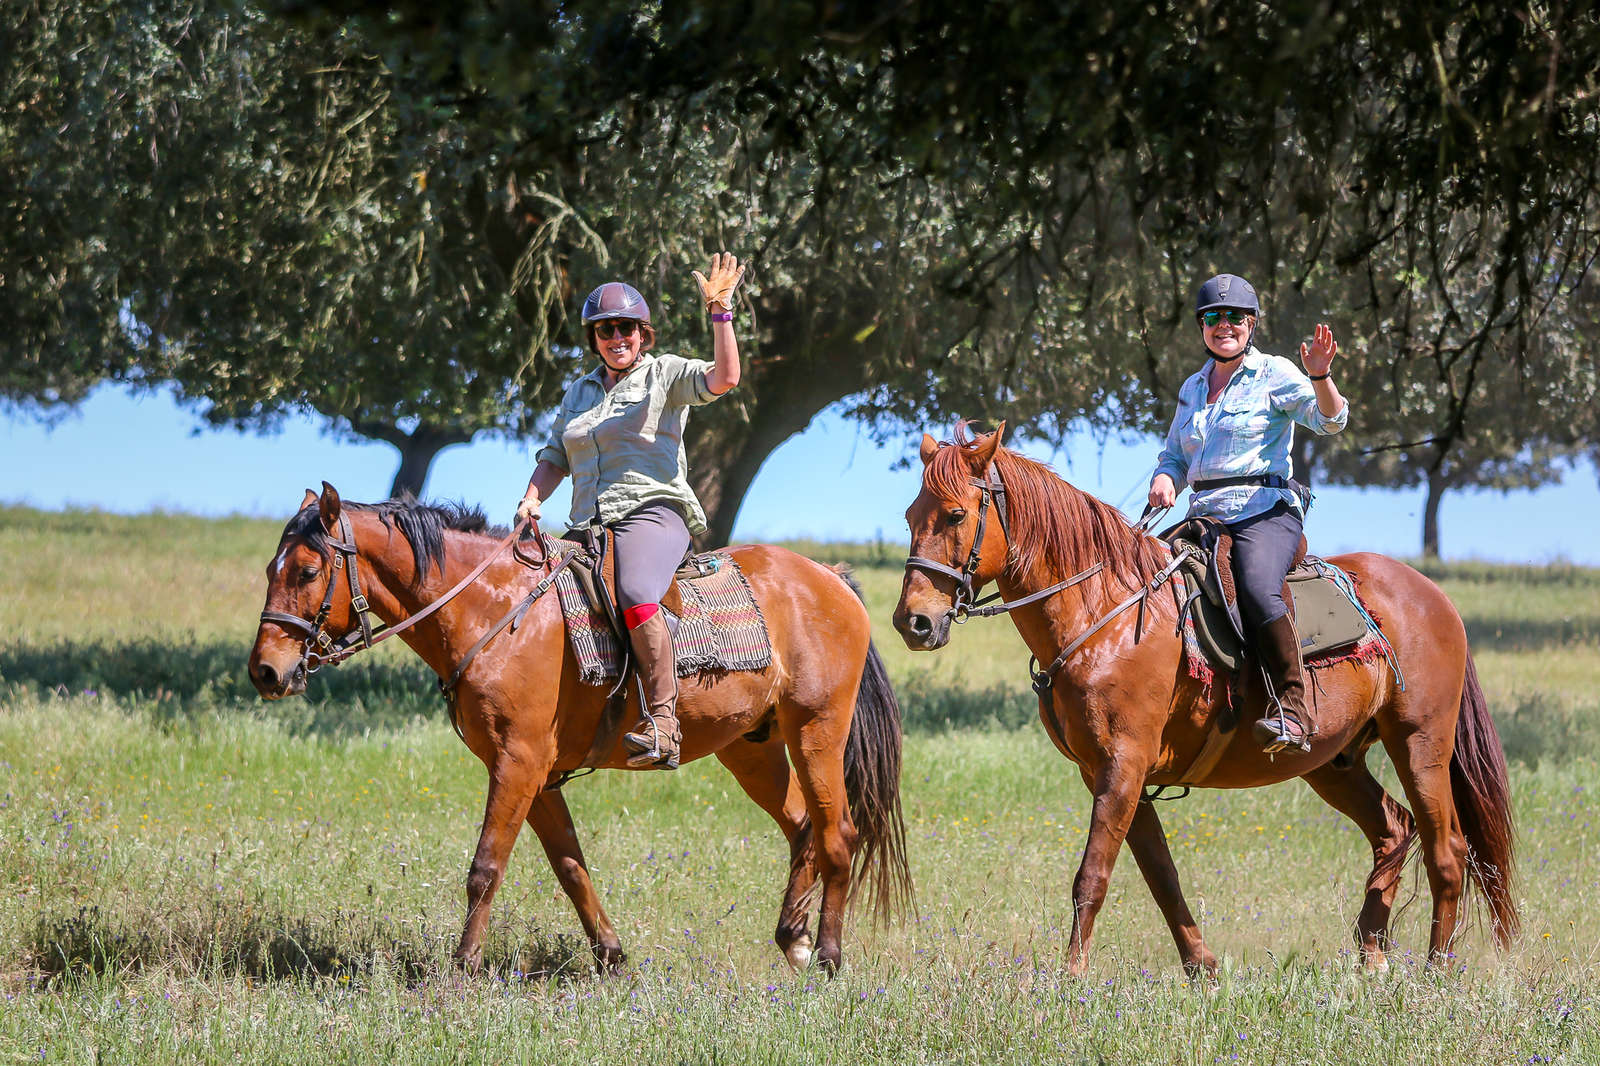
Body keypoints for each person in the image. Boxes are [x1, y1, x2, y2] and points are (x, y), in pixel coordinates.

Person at [515, 253, 747, 770]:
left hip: (652, 514)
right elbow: (554, 457)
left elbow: (724, 378)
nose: (615, 337)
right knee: (534, 594)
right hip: (586, 525)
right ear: (594, 338)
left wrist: (720, 315)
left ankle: (664, 722)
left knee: (638, 593)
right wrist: (532, 497)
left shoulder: (664, 375)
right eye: (604, 330)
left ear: (643, 333)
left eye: (625, 328)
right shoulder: (578, 392)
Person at [1148, 273, 1349, 754]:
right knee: (1147, 581)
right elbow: (1175, 454)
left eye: (1234, 317)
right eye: (1213, 318)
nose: (1224, 326)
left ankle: (1293, 708)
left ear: (1251, 323)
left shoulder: (1274, 373)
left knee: (1257, 590)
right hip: (1204, 516)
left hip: (1264, 513)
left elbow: (1330, 421)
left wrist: (1320, 376)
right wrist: (1166, 479)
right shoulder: (1192, 388)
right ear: (1201, 328)